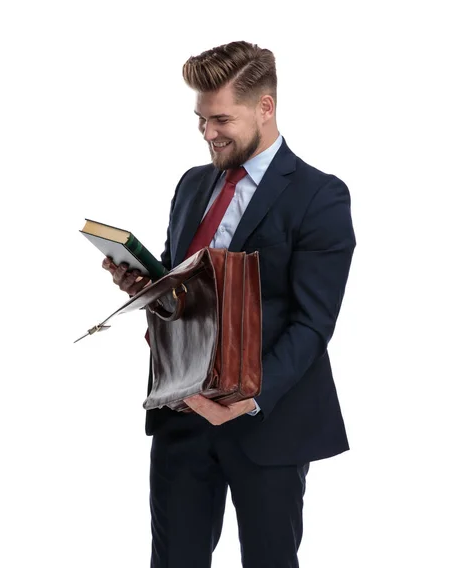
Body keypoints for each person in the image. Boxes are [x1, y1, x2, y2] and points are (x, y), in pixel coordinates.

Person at [102, 41, 356, 568]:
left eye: (220, 119)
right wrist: (143, 286)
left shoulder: (320, 196)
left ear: (265, 108)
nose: (207, 133)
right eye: (200, 120)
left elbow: (313, 325)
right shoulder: (193, 185)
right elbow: (183, 284)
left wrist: (251, 398)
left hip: (267, 421)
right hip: (182, 412)